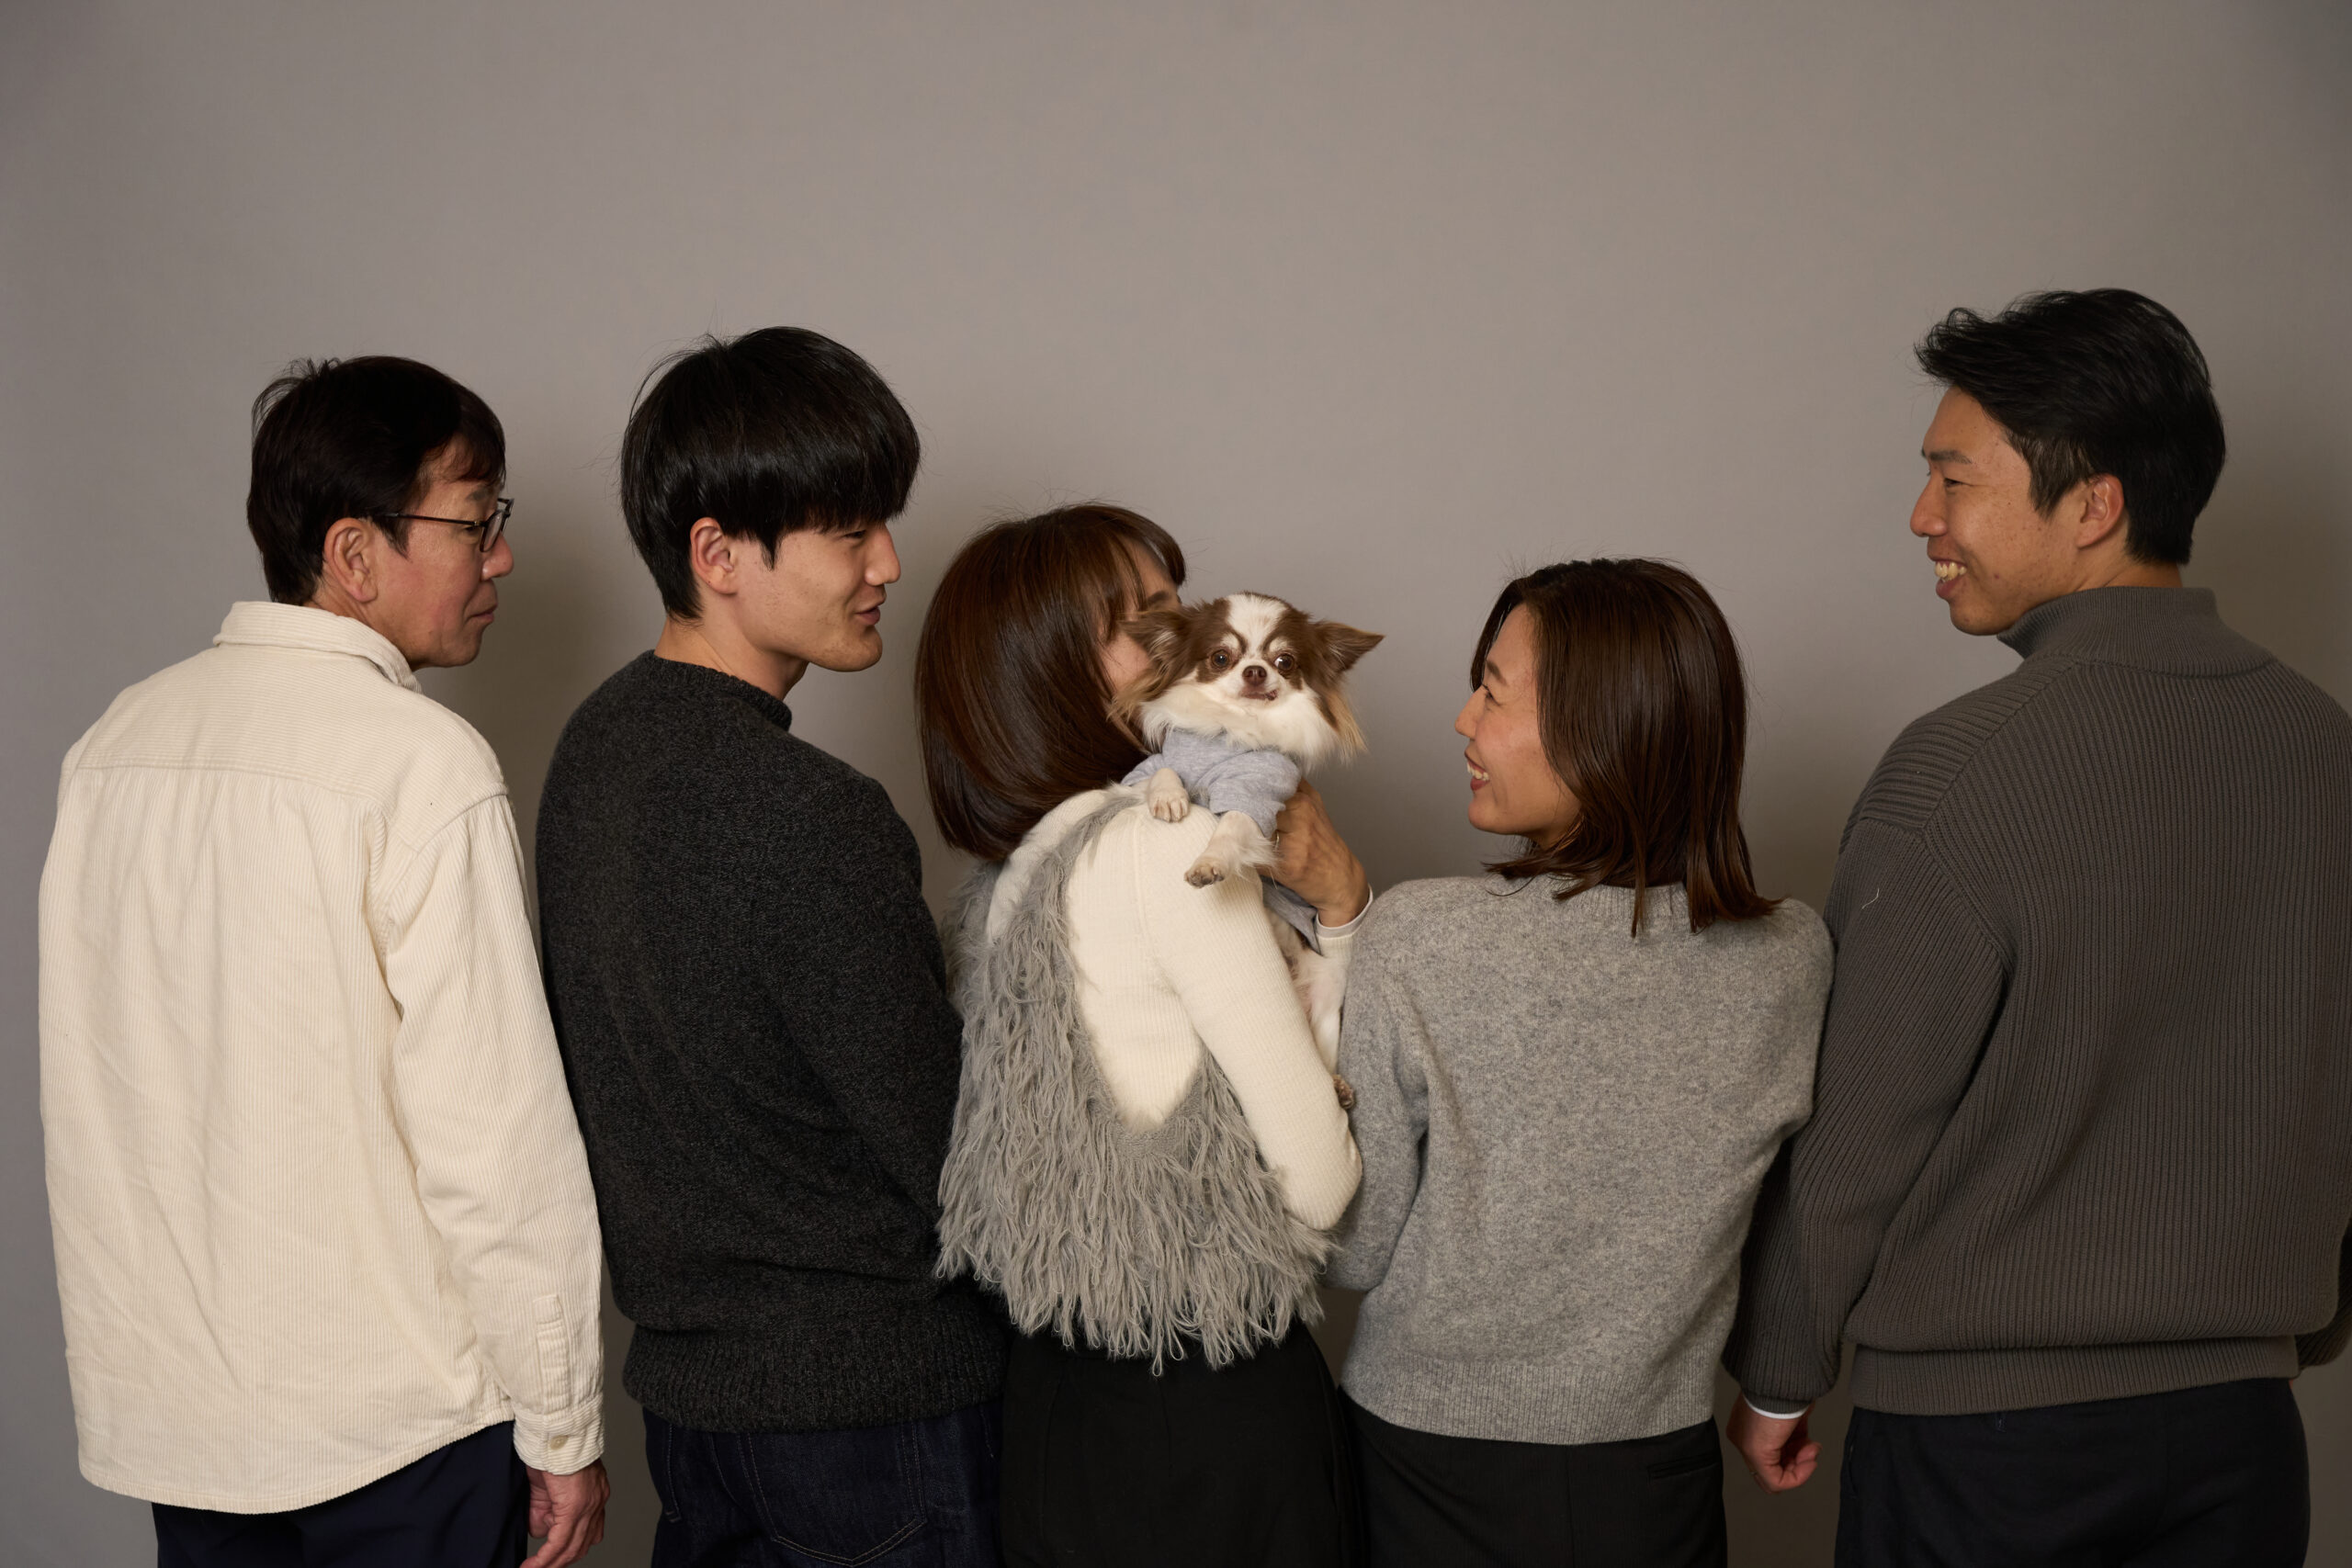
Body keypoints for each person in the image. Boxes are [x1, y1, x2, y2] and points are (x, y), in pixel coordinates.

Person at [1723, 288, 2352, 1566]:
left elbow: (1861, 1120)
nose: (1924, 516)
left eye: (1954, 478)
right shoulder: (2324, 748)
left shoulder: (1961, 766)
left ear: (2094, 504)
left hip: (1987, 1450)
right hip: (2242, 1434)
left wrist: (1782, 1367)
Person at [40, 356, 608, 1568]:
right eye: (476, 521)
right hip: (397, 1431)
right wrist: (562, 1423)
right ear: (355, 553)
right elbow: (493, 1142)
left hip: (185, 1428)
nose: (502, 557)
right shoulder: (422, 764)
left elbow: (102, 1093)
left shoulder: (114, 747)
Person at [536, 327, 1005, 1568]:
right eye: (850, 532)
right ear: (718, 555)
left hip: (693, 1417)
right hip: (878, 1413)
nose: (888, 562)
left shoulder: (590, 755)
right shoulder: (813, 812)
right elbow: (953, 1159)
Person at [1323, 559, 1831, 1568]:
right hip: (1652, 1473)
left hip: (1423, 1465)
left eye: (1493, 691)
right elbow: (1799, 1214)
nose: (1463, 720)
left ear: (1605, 726)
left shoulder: (1419, 937)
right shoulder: (1792, 955)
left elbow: (1352, 1253)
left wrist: (1339, 924)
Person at [914, 504, 1370, 1567]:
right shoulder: (1168, 851)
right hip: (1209, 1413)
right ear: (1049, 674)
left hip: (1053, 1416)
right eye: (1144, 622)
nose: (1181, 640)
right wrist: (1344, 909)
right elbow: (1320, 1188)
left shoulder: (1001, 887)